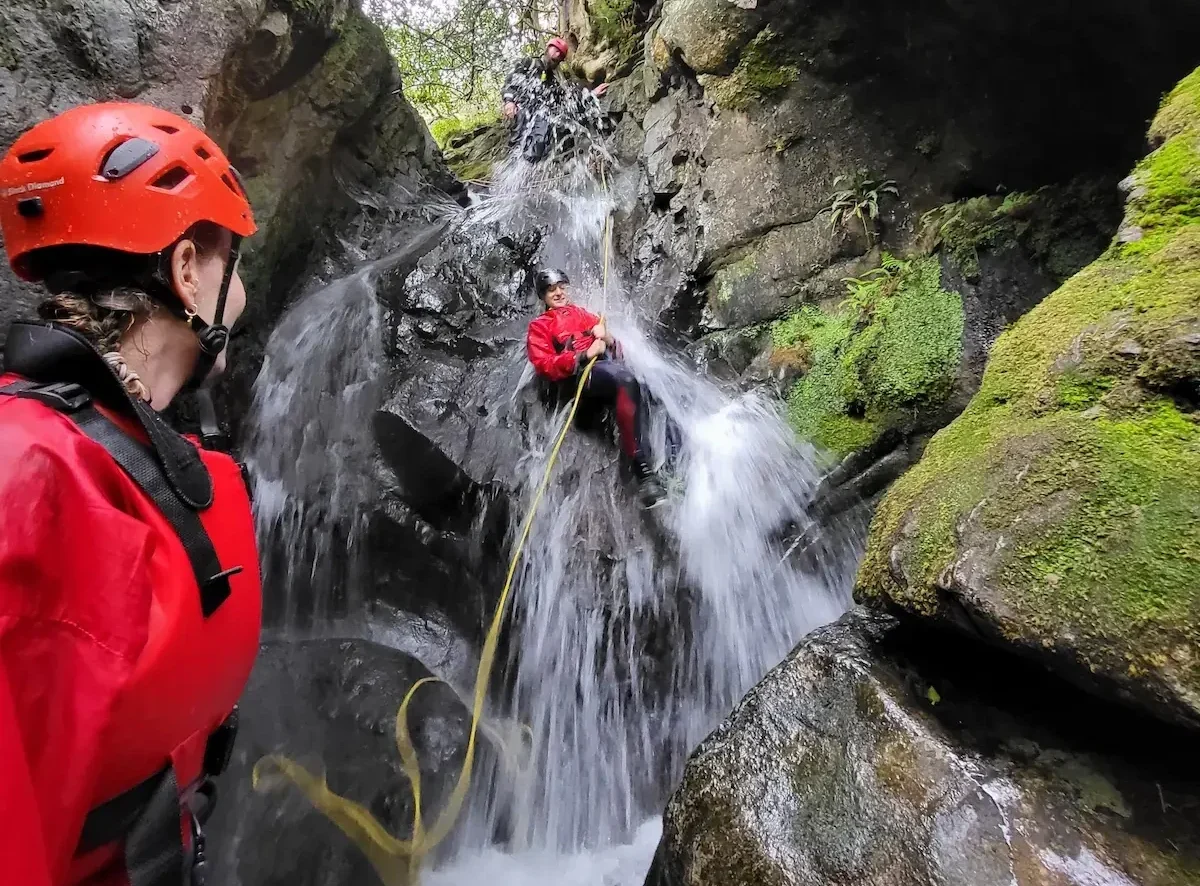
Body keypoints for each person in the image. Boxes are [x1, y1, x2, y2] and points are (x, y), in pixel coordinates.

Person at [0, 102, 262, 886]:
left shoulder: (95, 451)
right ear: (185, 271)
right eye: (232, 262)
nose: (240, 290)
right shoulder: (29, 473)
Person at [525, 268, 665, 508]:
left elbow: (619, 354)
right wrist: (583, 355)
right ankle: (642, 471)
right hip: (577, 378)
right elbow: (543, 364)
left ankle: (670, 464)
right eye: (551, 290)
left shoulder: (583, 314)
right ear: (543, 296)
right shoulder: (540, 326)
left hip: (604, 370)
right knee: (626, 380)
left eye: (561, 287)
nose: (558, 293)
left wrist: (608, 338)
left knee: (649, 390)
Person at [502, 37, 609, 161]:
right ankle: (517, 161)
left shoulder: (553, 83)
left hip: (539, 118)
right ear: (548, 49)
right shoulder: (528, 63)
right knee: (517, 142)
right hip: (520, 110)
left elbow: (567, 106)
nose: (557, 55)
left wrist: (592, 95)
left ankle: (530, 162)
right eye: (556, 50)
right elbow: (512, 80)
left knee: (547, 124)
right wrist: (509, 101)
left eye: (561, 55)